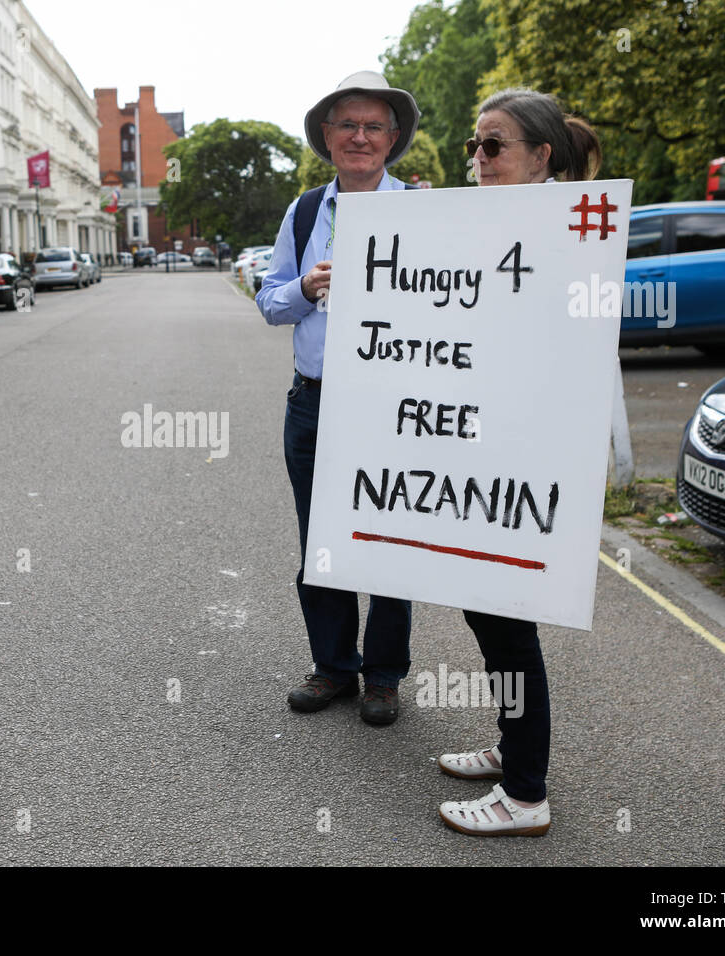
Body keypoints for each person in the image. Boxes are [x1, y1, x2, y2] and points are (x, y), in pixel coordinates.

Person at [435, 88, 603, 837]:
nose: (478, 159)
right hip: (478, 453)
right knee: (486, 609)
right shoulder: (488, 225)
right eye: (474, 146)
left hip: (520, 462)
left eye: (493, 146)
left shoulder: (568, 236)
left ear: (541, 156)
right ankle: (512, 749)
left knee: (507, 623)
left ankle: (526, 796)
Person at [255, 73, 421, 726]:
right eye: (346, 125)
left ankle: (382, 675)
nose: (359, 137)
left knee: (391, 540)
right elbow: (270, 302)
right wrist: (304, 286)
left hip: (390, 405)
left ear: (393, 138)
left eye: (373, 126)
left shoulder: (424, 211)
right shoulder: (302, 213)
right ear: (327, 137)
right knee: (321, 539)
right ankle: (334, 668)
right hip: (314, 404)